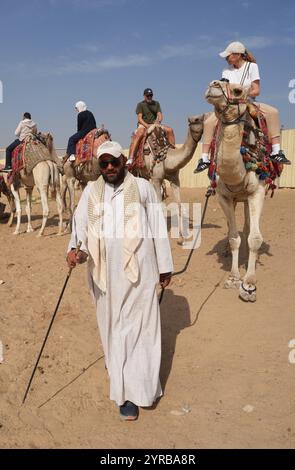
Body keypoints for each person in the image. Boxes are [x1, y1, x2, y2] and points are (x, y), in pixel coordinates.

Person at [67, 140, 173, 421]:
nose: (110, 167)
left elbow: (157, 227)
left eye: (114, 161)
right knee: (113, 329)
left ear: (124, 160)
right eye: (104, 163)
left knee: (140, 329)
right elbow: (80, 227)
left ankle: (142, 389)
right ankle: (123, 391)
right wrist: (75, 251)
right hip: (104, 276)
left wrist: (165, 266)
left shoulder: (143, 188)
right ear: (99, 165)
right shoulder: (91, 191)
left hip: (141, 270)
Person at [194, 41, 291, 173]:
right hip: (230, 106)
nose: (226, 58)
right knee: (209, 122)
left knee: (273, 112)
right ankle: (204, 159)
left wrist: (243, 93)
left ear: (238, 55)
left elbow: (256, 90)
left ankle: (276, 151)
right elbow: (225, 90)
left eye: (228, 56)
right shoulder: (226, 71)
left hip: (247, 102)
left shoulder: (252, 67)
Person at [127, 88, 175, 165]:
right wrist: (147, 126)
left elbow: (160, 115)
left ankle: (173, 151)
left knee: (170, 130)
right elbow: (139, 118)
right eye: (148, 95)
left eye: (151, 95)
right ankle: (131, 157)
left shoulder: (156, 104)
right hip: (143, 124)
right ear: (144, 96)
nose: (149, 97)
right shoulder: (140, 105)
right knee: (139, 134)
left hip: (154, 124)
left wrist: (158, 121)